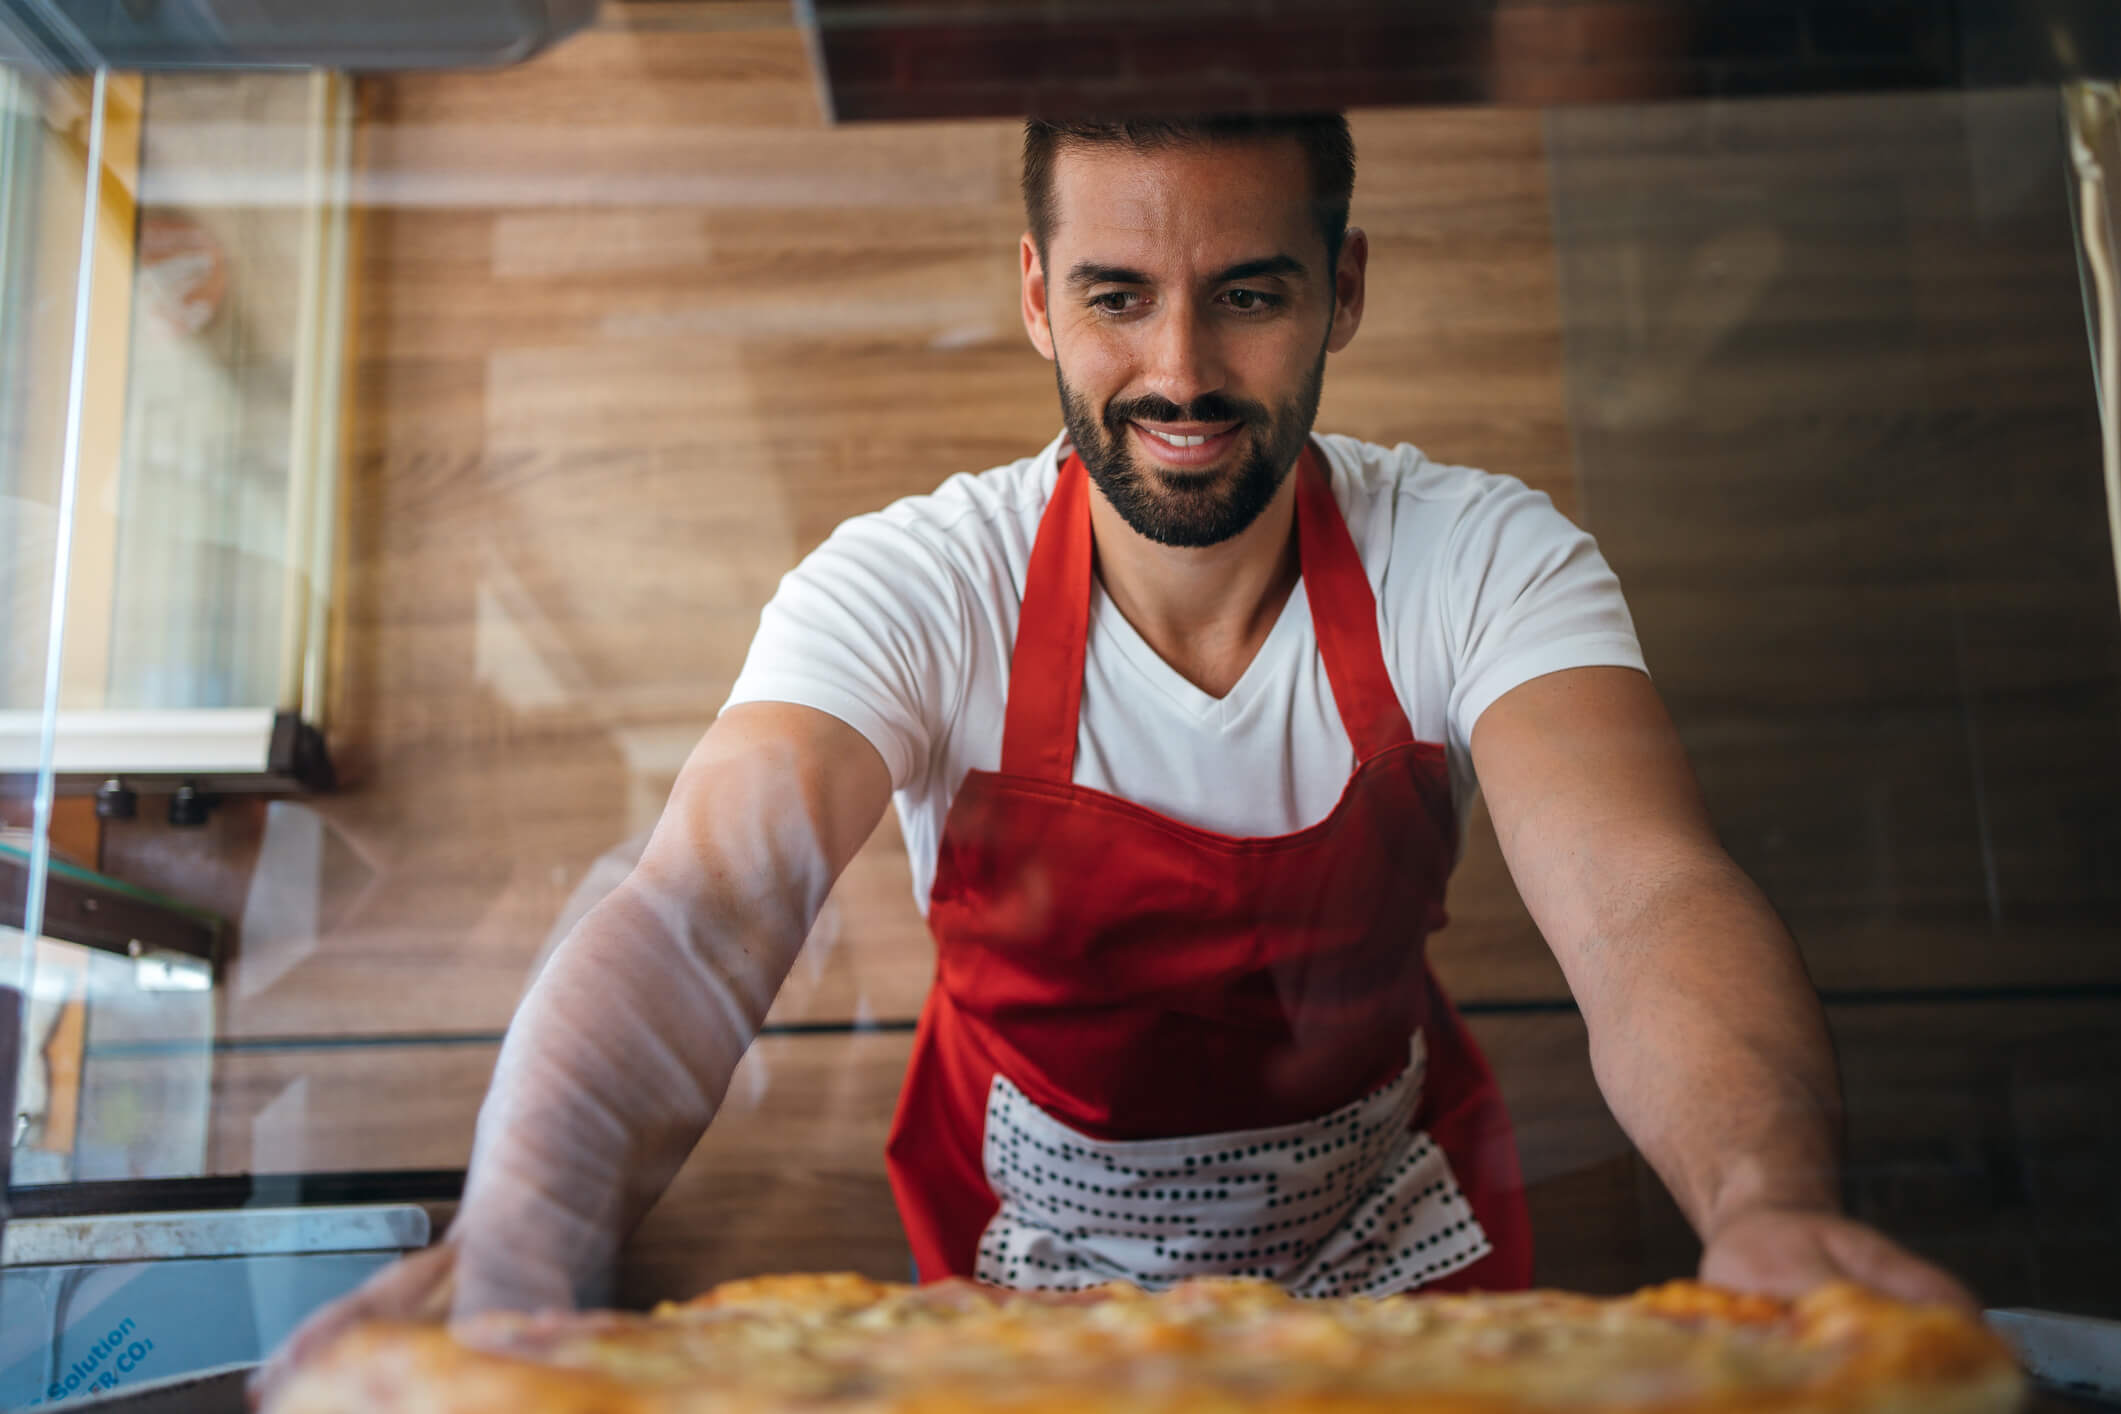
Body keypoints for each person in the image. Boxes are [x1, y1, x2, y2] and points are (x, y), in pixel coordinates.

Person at [256, 110, 1971, 1399]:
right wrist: (516, 1242)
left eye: (1246, 294)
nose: (1179, 369)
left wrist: (1759, 1203)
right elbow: (699, 907)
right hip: (1036, 1237)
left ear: (1341, 291)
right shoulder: (914, 582)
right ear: (1033, 297)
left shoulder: (1480, 554)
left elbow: (1646, 899)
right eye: (1115, 296)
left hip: (1381, 1222)